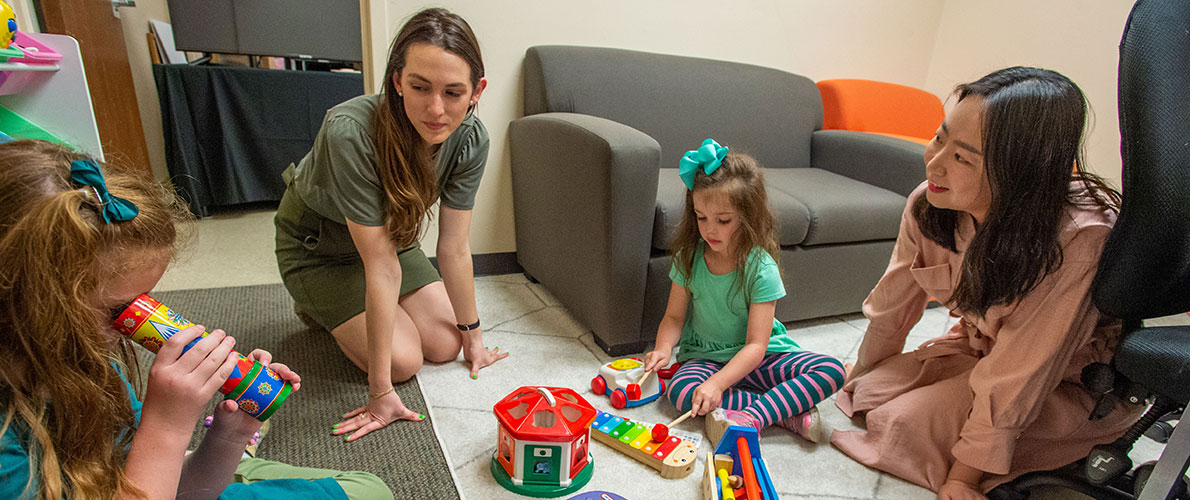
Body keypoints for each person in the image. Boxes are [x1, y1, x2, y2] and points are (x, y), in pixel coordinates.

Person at [0, 140, 393, 500]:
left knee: (370, 491)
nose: (133, 326)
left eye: (144, 301)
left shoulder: (92, 363)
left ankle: (239, 452)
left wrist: (230, 434)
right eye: (116, 309)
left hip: (140, 483)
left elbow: (187, 491)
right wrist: (166, 427)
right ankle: (238, 463)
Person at [831, 67, 1140, 499]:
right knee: (865, 391)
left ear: (1020, 171)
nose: (935, 163)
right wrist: (862, 372)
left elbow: (1023, 373)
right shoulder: (930, 202)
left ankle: (1067, 441)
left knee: (903, 427)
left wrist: (964, 477)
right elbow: (893, 304)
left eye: (963, 157)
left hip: (1062, 379)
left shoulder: (1079, 238)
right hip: (980, 349)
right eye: (940, 138)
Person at [273, 8, 506, 443]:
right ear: (397, 80)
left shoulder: (471, 138)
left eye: (454, 93)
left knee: (444, 344)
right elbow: (379, 268)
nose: (436, 110)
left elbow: (454, 247)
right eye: (420, 87)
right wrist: (379, 392)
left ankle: (361, 316)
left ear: (477, 91)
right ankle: (319, 306)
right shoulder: (349, 130)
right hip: (321, 251)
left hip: (392, 240)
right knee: (404, 363)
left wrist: (474, 337)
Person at [640, 139, 847, 446]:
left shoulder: (760, 268)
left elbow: (756, 345)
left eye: (723, 221)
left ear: (747, 217)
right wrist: (663, 349)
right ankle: (785, 411)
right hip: (706, 356)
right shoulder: (688, 257)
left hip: (761, 357)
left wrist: (718, 385)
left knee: (832, 370)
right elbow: (673, 316)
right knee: (681, 392)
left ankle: (755, 415)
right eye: (701, 217)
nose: (710, 230)